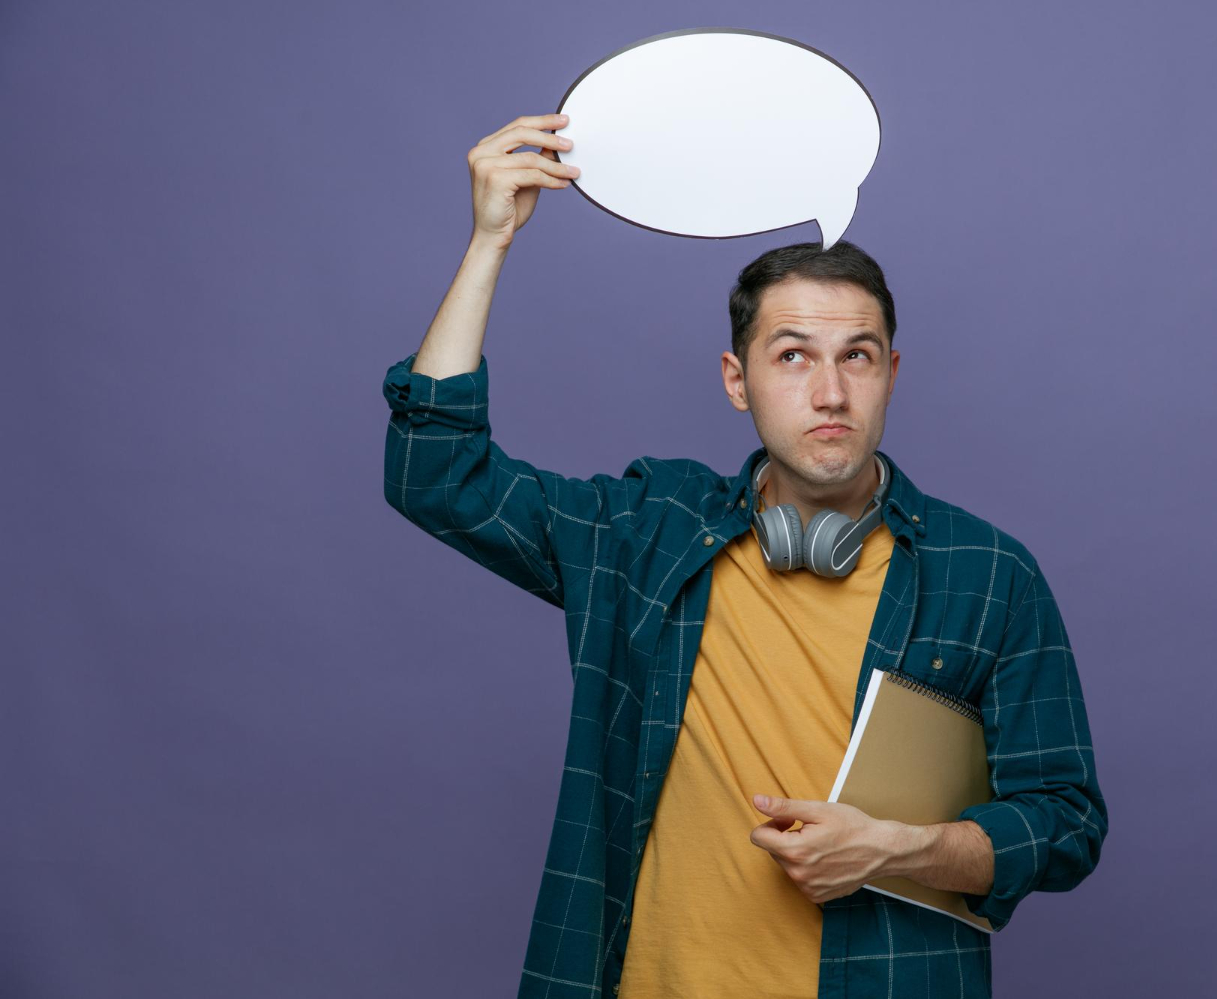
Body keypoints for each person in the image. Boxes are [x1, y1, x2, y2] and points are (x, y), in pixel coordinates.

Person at [381, 112, 1107, 999]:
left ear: (892, 373)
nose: (830, 391)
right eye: (793, 356)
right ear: (738, 380)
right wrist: (491, 240)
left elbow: (1064, 825)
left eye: (858, 357)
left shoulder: (989, 574)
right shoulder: (646, 531)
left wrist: (901, 847)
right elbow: (434, 473)